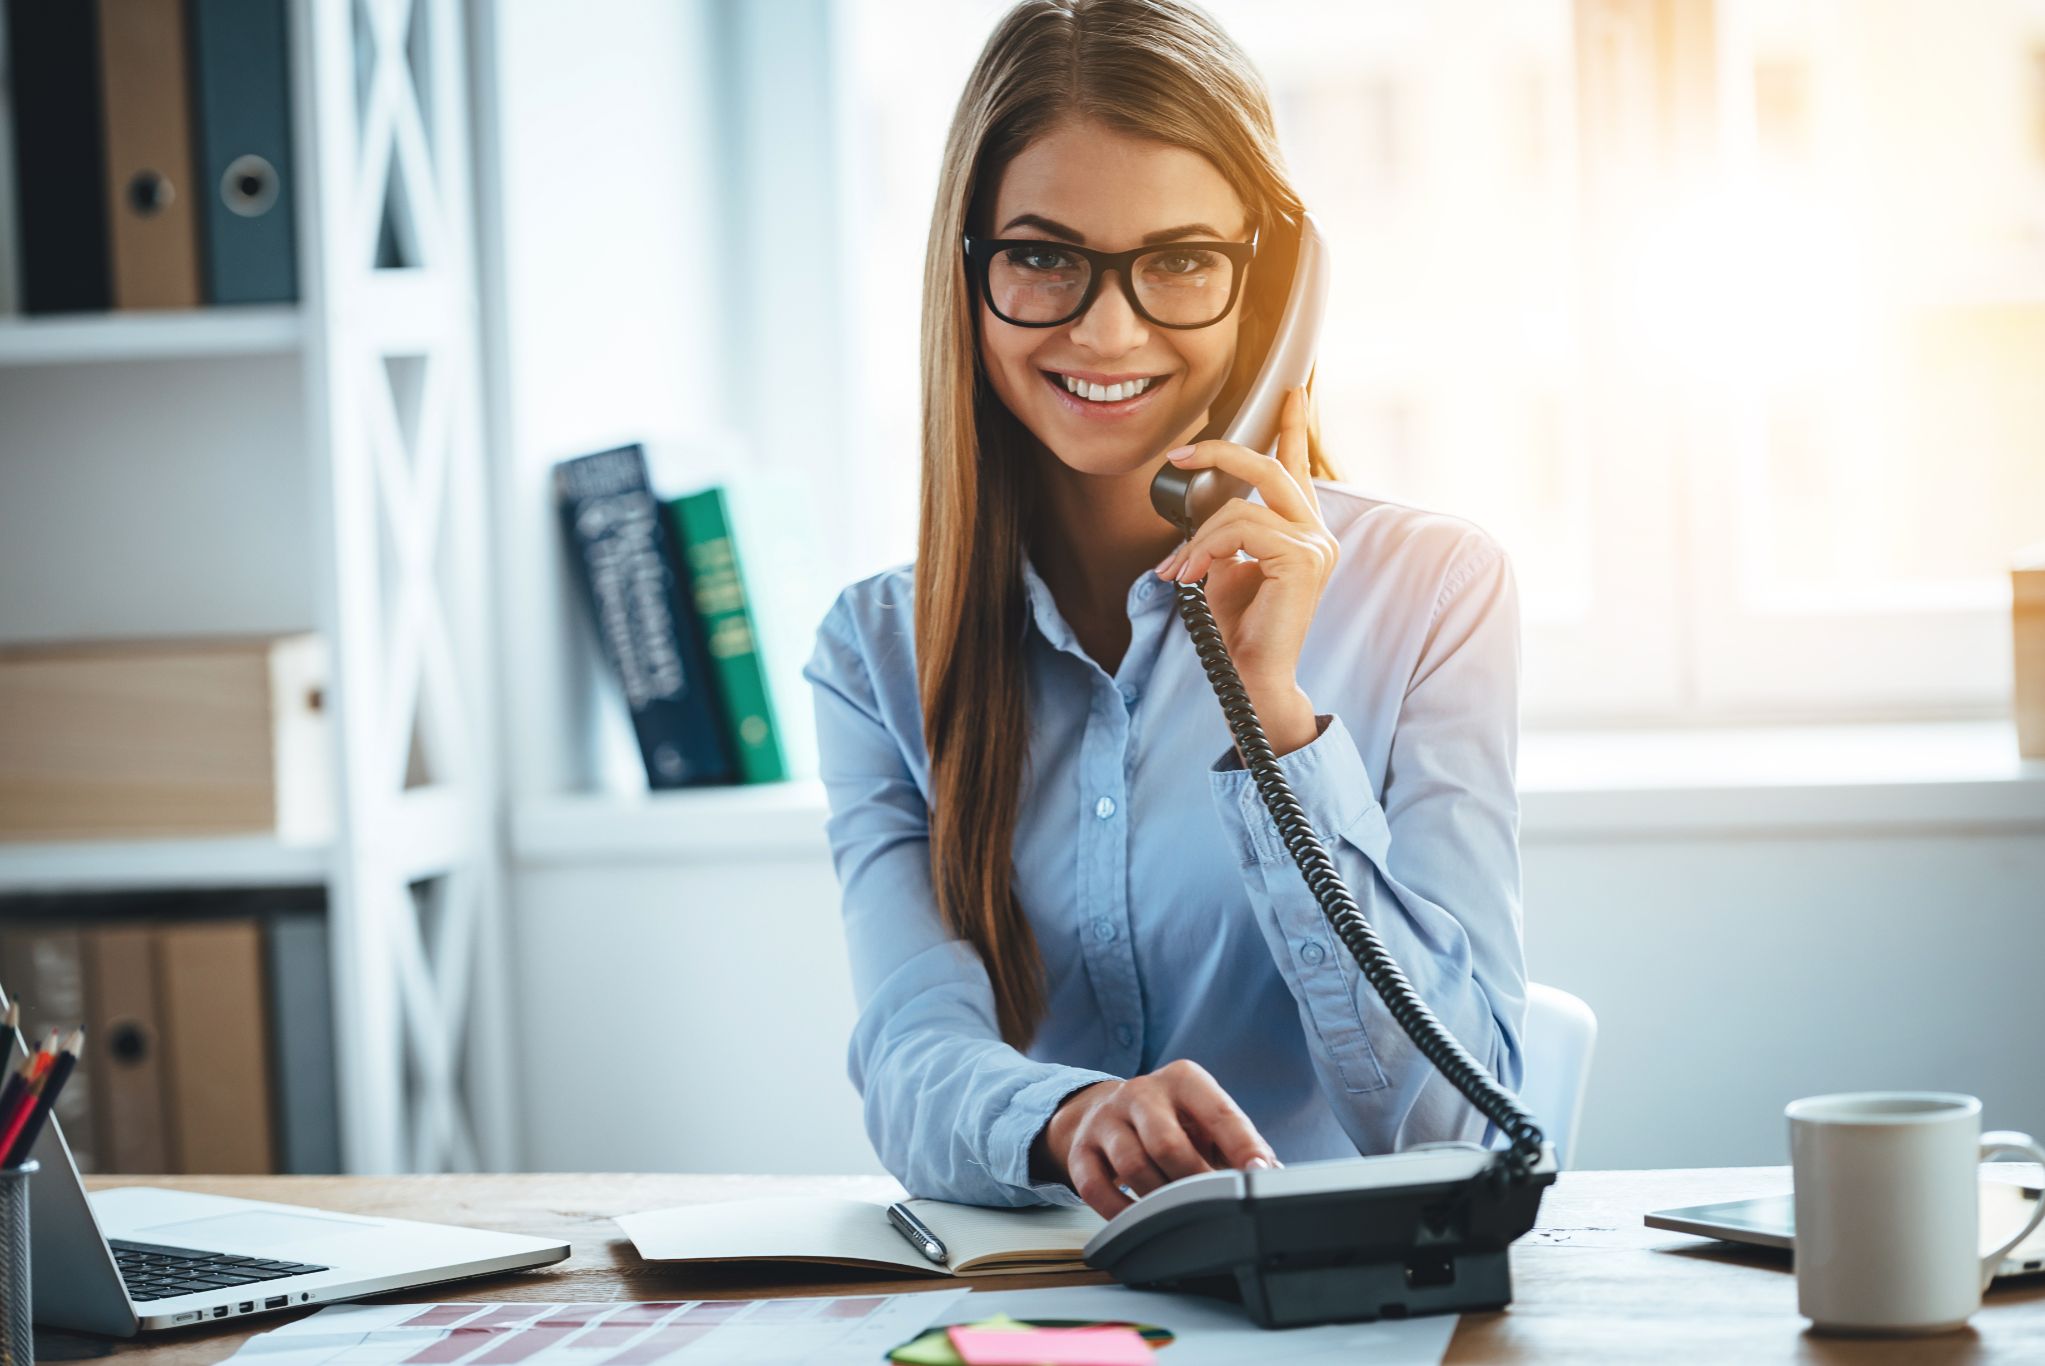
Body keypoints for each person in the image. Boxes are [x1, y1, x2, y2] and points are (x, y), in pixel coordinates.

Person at [802, 0, 1525, 1218]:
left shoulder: (1434, 592)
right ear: (967, 273)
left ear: (1274, 290)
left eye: (1181, 261)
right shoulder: (876, 650)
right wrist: (1074, 1115)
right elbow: (912, 1058)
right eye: (1041, 256)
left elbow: (1460, 1122)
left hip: (1346, 1312)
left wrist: (1278, 724)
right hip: (1045, 1307)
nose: (1107, 329)